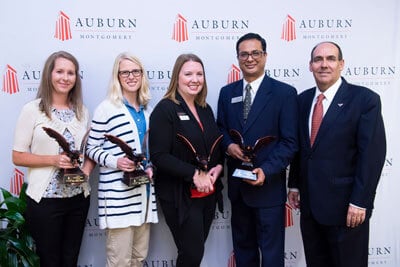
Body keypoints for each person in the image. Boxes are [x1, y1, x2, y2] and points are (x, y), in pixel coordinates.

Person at [288, 41, 386, 267]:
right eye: (318, 60)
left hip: (347, 209)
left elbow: (372, 155)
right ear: (310, 66)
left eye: (330, 59)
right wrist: (294, 184)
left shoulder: (365, 100)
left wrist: (360, 202)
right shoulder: (302, 100)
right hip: (311, 208)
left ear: (341, 64)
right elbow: (301, 148)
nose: (324, 65)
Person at [216, 32, 298, 267]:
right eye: (244, 54)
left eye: (255, 53)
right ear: (238, 58)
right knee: (244, 253)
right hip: (238, 189)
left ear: (265, 56)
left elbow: (290, 142)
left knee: (272, 257)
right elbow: (220, 128)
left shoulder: (284, 93)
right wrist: (228, 145)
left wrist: (266, 170)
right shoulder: (227, 92)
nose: (250, 58)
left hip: (268, 189)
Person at [12, 51, 95, 267]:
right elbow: (17, 156)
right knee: (50, 262)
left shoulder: (82, 112)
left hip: (78, 198)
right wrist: (53, 160)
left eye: (71, 73)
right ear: (49, 74)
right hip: (45, 202)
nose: (65, 77)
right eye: (59, 71)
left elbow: (88, 150)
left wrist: (86, 169)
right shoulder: (32, 110)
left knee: (70, 260)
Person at [149, 53, 224, 267]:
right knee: (191, 255)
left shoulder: (205, 109)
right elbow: (159, 156)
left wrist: (218, 168)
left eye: (199, 74)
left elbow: (215, 149)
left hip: (207, 194)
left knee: (194, 254)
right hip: (179, 196)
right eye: (188, 73)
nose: (195, 79)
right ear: (177, 77)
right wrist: (194, 174)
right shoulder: (165, 109)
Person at [85, 52, 158, 267]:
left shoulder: (148, 110)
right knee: (120, 262)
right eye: (125, 72)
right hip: (118, 200)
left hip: (143, 196)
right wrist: (116, 162)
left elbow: (148, 150)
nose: (131, 76)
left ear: (142, 75)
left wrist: (151, 165)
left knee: (138, 259)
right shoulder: (106, 108)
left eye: (136, 71)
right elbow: (91, 148)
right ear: (117, 76)